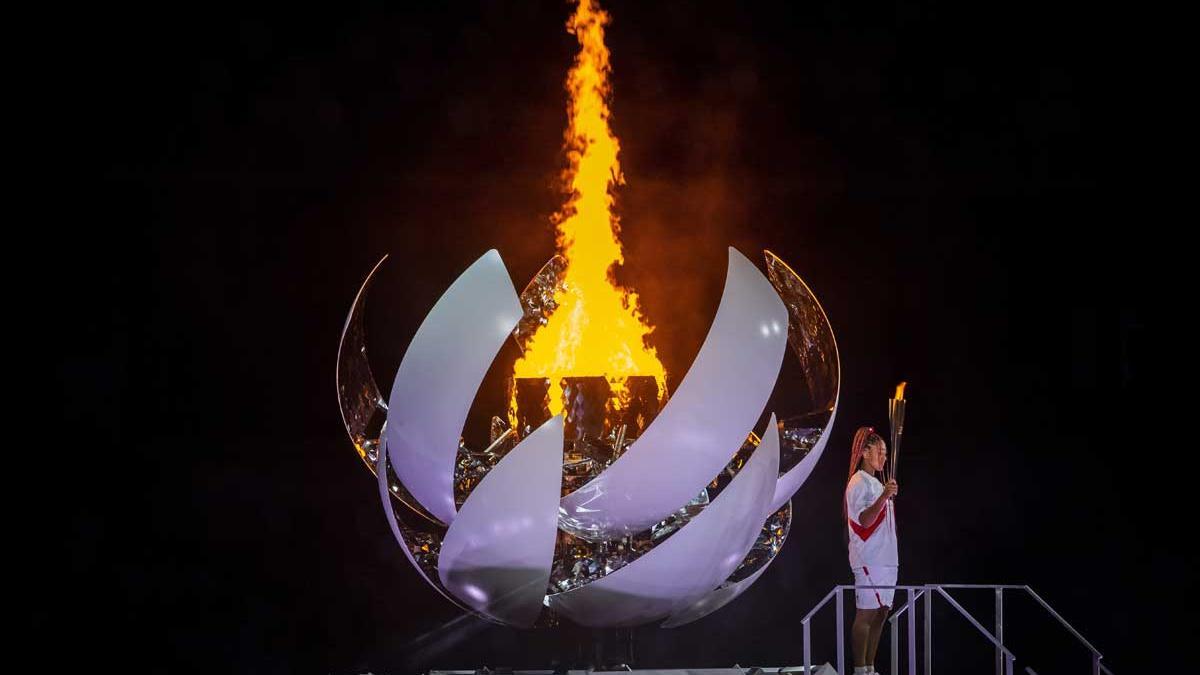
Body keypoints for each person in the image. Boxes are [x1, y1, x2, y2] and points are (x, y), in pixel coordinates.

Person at [844, 426, 899, 675]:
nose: (884, 457)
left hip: (887, 559)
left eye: (886, 454)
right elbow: (864, 522)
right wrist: (884, 497)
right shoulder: (858, 483)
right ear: (866, 452)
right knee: (866, 614)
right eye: (881, 452)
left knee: (881, 614)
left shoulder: (876, 483)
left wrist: (885, 494)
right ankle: (859, 669)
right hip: (868, 559)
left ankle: (870, 668)